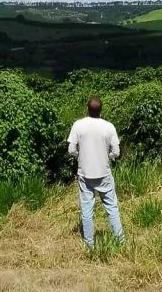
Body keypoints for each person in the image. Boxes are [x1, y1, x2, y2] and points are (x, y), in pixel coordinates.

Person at [67, 97, 124, 248]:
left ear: (87, 109)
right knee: (112, 208)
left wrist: (79, 156)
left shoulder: (78, 125)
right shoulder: (109, 127)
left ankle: (89, 244)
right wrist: (107, 156)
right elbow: (116, 152)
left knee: (87, 211)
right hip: (104, 173)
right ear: (101, 110)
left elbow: (71, 149)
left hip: (85, 173)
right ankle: (120, 242)